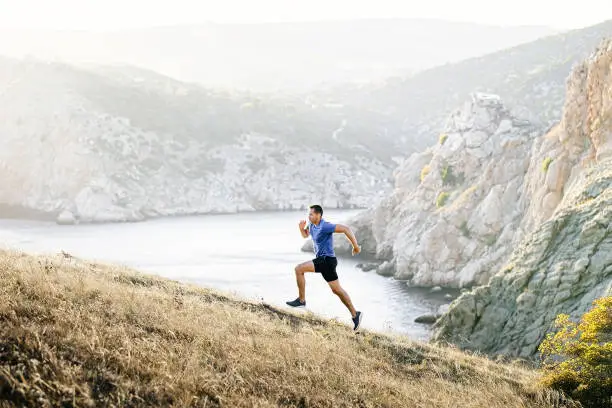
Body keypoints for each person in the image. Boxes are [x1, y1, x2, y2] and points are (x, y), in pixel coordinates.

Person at [286, 204, 363, 331]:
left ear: (318, 215)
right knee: (337, 290)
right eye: (309, 214)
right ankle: (355, 315)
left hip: (327, 260)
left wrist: (355, 246)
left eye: (311, 214)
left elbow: (346, 229)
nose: (309, 216)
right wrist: (301, 229)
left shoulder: (325, 226)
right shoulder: (311, 225)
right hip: (324, 261)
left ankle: (301, 300)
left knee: (299, 269)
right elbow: (306, 235)